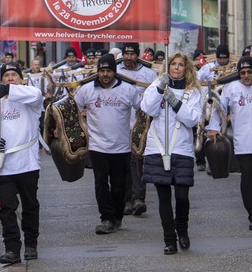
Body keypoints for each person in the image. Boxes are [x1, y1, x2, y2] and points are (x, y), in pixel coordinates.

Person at [0, 62, 45, 264]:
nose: (9, 78)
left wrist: (10, 91)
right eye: (5, 75)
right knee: (7, 208)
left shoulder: (29, 99)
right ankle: (12, 248)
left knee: (30, 205)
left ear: (21, 79)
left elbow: (37, 95)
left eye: (13, 75)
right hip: (4, 164)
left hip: (27, 162)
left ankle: (31, 243)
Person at [140, 53, 202, 254]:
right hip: (158, 147)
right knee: (164, 197)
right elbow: (148, 108)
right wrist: (159, 89)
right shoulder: (157, 85)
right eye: (173, 64)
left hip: (181, 148)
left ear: (187, 68)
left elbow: (192, 119)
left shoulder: (192, 92)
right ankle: (169, 240)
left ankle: (182, 229)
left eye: (180, 65)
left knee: (182, 196)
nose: (176, 68)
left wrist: (174, 101)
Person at [75, 54, 142, 234]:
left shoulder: (129, 90)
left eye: (108, 71)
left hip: (121, 146)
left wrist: (137, 133)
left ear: (115, 71)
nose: (105, 74)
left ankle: (117, 217)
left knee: (119, 185)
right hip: (97, 146)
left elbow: (142, 110)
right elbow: (72, 108)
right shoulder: (86, 90)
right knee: (101, 183)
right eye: (102, 71)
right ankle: (106, 218)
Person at [207, 56, 252, 230]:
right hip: (243, 141)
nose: (246, 76)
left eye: (249, 72)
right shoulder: (231, 87)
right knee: (248, 177)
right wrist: (214, 127)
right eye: (242, 72)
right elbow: (218, 108)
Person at [118, 42, 158, 217]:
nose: (128, 57)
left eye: (132, 54)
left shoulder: (149, 74)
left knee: (138, 161)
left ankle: (138, 199)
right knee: (123, 163)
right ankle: (125, 200)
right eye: (125, 54)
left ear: (137, 55)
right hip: (119, 125)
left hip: (141, 124)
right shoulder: (116, 72)